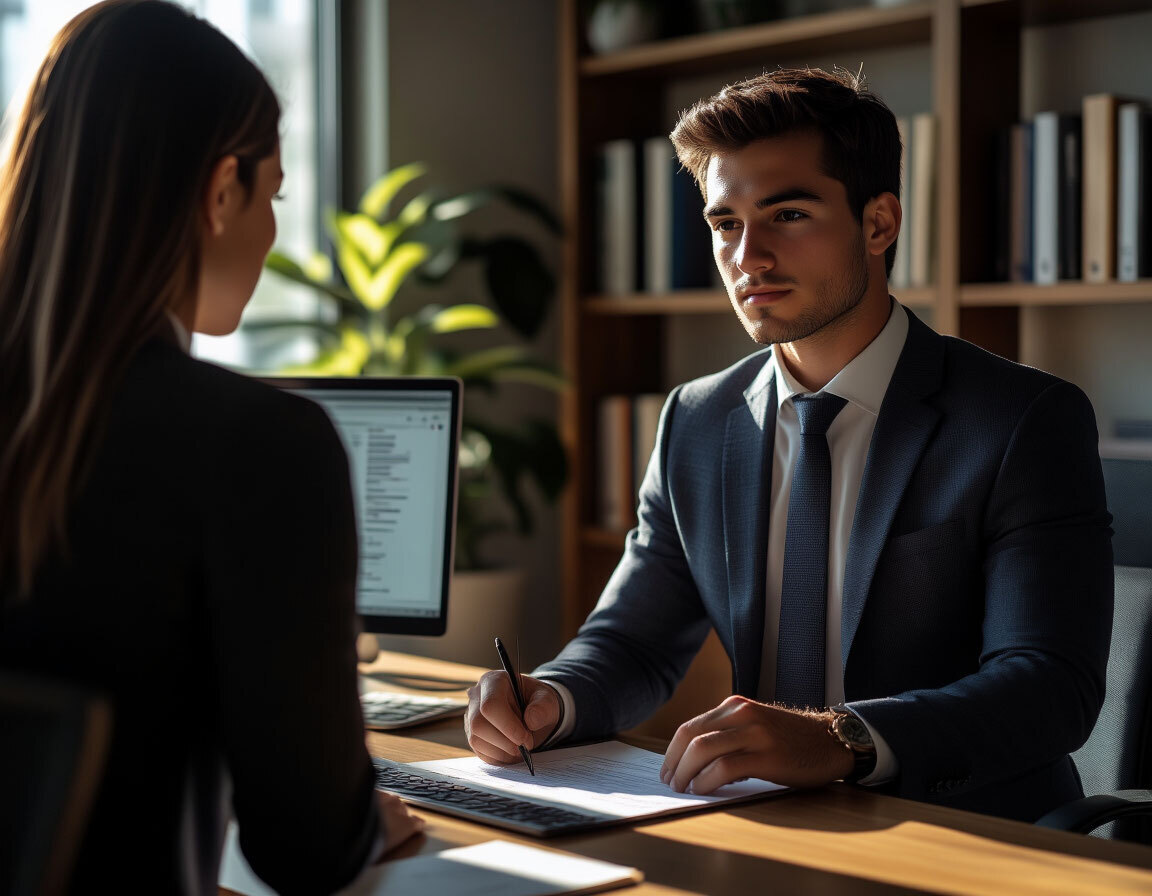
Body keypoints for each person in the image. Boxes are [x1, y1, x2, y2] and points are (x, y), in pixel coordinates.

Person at [464, 67, 1114, 823]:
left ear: (879, 223)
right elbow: (632, 645)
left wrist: (843, 739)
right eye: (725, 223)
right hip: (766, 827)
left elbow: (1049, 686)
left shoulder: (1022, 419)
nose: (748, 258)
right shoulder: (695, 420)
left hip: (966, 832)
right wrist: (552, 696)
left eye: (789, 215)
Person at [0, 2, 422, 891]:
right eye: (272, 194)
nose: (270, 232)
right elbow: (306, 850)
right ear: (220, 189)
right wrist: (362, 823)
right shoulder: (257, 445)